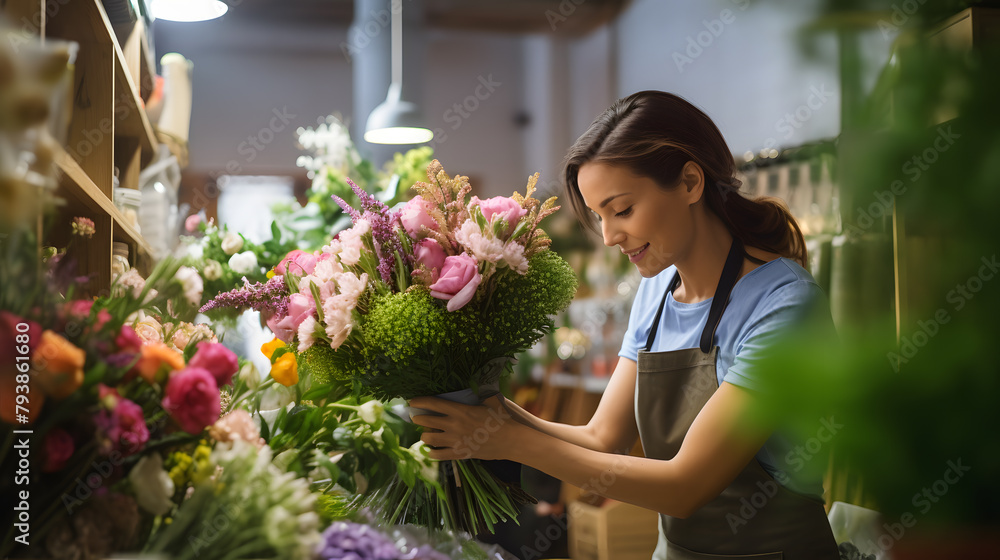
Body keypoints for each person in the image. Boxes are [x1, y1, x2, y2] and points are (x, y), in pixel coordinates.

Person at [410, 90, 840, 560]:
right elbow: (602, 438)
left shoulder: (783, 306)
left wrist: (509, 440)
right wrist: (491, 410)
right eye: (599, 216)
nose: (611, 236)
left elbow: (685, 485)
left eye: (623, 210)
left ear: (691, 182)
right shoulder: (656, 293)